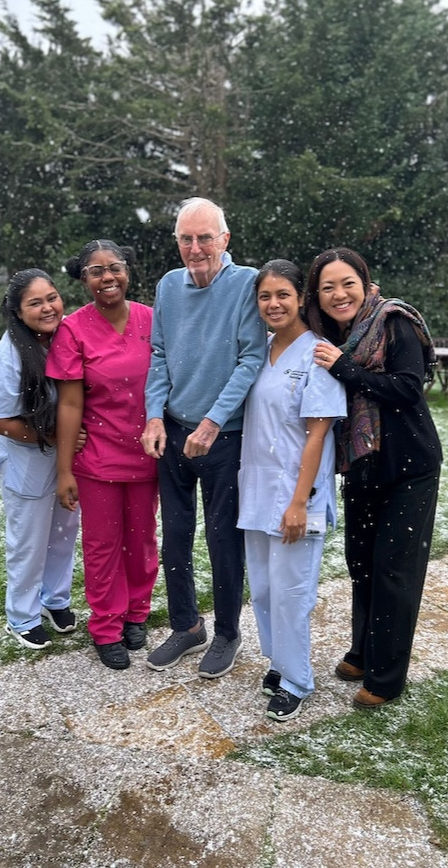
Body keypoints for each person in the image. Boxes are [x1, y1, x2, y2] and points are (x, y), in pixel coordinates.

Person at [305, 247, 443, 709]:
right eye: (328, 287)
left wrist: (345, 369)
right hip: (362, 466)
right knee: (361, 563)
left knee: (393, 569)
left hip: (410, 466)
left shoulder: (392, 321)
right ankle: (364, 653)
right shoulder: (331, 335)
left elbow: (408, 387)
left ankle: (386, 678)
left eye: (347, 283)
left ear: (364, 283)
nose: (339, 293)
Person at [141, 196, 266, 678]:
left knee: (221, 538)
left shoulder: (245, 285)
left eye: (205, 238)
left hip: (224, 436)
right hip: (173, 432)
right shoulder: (169, 287)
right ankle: (187, 625)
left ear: (225, 240)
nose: (196, 248)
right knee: (174, 535)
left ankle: (228, 632)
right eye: (186, 239)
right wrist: (155, 417)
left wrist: (212, 422)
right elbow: (159, 355)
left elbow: (250, 360)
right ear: (177, 243)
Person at [237, 260, 347, 721]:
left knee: (292, 591)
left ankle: (298, 680)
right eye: (265, 296)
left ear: (300, 298)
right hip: (258, 489)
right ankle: (280, 664)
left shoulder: (316, 354)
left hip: (298, 494)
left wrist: (299, 502)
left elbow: (317, 435)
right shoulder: (257, 351)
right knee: (263, 589)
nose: (273, 304)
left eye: (282, 294)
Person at [46, 240, 159, 671]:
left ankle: (136, 612)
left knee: (142, 540)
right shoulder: (73, 330)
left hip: (148, 454)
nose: (107, 277)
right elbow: (70, 404)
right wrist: (64, 471)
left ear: (128, 271)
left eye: (114, 268)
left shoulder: (152, 319)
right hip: (97, 461)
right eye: (96, 271)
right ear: (83, 279)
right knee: (102, 544)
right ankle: (107, 627)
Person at [0, 268, 81, 650]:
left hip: (65, 457)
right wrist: (51, 436)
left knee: (63, 531)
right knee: (29, 540)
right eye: (35, 303)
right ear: (18, 312)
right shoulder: (7, 358)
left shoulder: (64, 337)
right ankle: (21, 615)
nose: (47, 308)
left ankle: (55, 600)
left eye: (51, 297)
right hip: (26, 460)